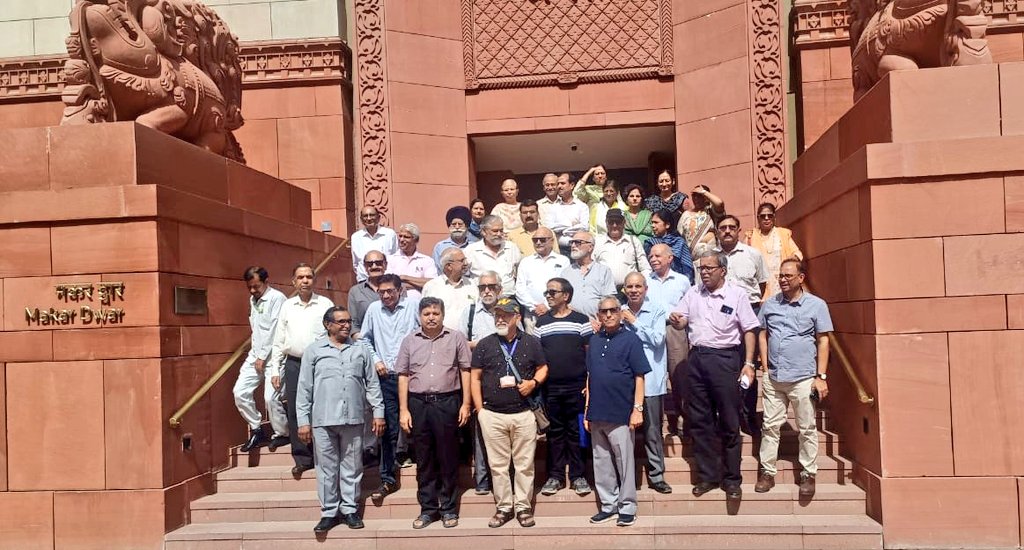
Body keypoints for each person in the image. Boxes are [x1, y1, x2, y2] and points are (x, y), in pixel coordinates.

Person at [669, 251, 758, 501]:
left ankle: (732, 479)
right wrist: (677, 320)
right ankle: (707, 476)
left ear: (723, 270)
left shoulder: (737, 295)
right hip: (696, 359)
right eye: (701, 268)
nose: (704, 272)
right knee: (700, 420)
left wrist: (749, 363)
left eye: (709, 268)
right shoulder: (693, 293)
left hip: (725, 359)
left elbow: (750, 329)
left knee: (730, 421)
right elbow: (680, 320)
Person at [296, 306, 385, 534]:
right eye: (341, 322)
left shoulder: (360, 350)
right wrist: (303, 421)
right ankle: (328, 512)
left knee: (352, 466)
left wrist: (378, 412)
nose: (347, 325)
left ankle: (349, 509)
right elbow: (304, 388)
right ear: (328, 325)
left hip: (353, 417)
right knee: (326, 468)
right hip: (323, 420)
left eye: (348, 321)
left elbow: (372, 384)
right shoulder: (314, 351)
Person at [755, 259, 832, 497]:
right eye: (780, 276)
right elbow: (762, 335)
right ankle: (767, 472)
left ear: (801, 278)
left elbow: (823, 340)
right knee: (770, 427)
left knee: (807, 427)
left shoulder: (816, 305)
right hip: (775, 377)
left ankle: (808, 473)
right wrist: (766, 369)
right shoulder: (770, 305)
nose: (783, 279)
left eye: (788, 276)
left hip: (803, 377)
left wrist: (821, 376)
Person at [470, 297, 548, 528]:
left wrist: (533, 383)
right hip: (492, 414)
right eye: (497, 315)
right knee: (498, 465)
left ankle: (523, 506)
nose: (500, 318)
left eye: (505, 314)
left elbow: (543, 367)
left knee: (524, 464)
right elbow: (475, 377)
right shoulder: (485, 344)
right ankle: (504, 507)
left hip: (524, 413)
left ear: (518, 317)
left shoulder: (531, 342)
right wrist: (480, 410)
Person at [396, 297, 473, 528]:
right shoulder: (410, 340)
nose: (431, 317)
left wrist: (466, 404)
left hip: (447, 402)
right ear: (420, 316)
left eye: (435, 313)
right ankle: (428, 509)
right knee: (424, 458)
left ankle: (449, 509)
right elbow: (402, 375)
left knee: (448, 456)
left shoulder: (456, 337)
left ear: (443, 314)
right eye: (427, 313)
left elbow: (465, 370)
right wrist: (403, 410)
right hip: (418, 404)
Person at [584, 296, 650, 527]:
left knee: (624, 463)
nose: (609, 314)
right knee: (601, 462)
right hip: (597, 411)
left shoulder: (631, 339)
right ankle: (608, 505)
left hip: (621, 411)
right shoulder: (593, 341)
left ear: (621, 314)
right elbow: (590, 378)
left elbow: (639, 377)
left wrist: (638, 409)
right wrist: (586, 411)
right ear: (599, 315)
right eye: (604, 311)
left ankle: (627, 507)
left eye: (613, 310)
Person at [268, 263, 335, 476]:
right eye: (300, 277)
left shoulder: (325, 304)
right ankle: (302, 457)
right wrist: (275, 370)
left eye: (308, 277)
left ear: (313, 280)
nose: (305, 281)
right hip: (294, 363)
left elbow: (333, 334)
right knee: (297, 409)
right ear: (294, 282)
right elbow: (279, 339)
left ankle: (323, 453)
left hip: (320, 363)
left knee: (322, 407)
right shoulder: (287, 306)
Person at [358, 274, 420, 500]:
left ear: (400, 290)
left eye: (389, 291)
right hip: (386, 377)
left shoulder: (413, 305)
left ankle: (426, 475)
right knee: (388, 430)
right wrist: (376, 360)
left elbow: (423, 334)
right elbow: (364, 339)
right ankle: (387, 479)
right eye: (381, 292)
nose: (385, 295)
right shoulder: (374, 310)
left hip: (413, 376)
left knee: (420, 425)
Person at [534, 278, 593, 497]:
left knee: (576, 431)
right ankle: (555, 476)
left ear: (566, 295)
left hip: (577, 388)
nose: (548, 295)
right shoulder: (541, 323)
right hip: (551, 389)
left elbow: (590, 352)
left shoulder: (580, 320)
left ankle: (578, 476)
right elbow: (536, 356)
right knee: (555, 433)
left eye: (552, 292)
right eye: (546, 292)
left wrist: (589, 383)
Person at [715, 214, 770, 435]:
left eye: (731, 227)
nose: (727, 231)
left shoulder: (753, 255)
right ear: (717, 232)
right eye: (722, 228)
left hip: (750, 315)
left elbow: (763, 284)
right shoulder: (711, 257)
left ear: (739, 230)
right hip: (720, 317)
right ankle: (728, 415)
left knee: (748, 365)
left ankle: (748, 415)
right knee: (724, 369)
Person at [620, 272, 672, 494]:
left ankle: (656, 475)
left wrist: (634, 322)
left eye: (637, 286)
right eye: (629, 286)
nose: (633, 290)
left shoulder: (658, 309)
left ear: (645, 288)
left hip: (650, 380)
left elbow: (658, 339)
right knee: (623, 431)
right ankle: (626, 475)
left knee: (652, 429)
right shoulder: (617, 310)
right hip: (625, 379)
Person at [457, 271, 503, 494]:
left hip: (505, 381)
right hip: (479, 380)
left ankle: (503, 478)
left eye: (491, 286)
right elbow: (461, 344)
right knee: (481, 430)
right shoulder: (470, 312)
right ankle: (483, 479)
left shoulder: (508, 311)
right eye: (482, 287)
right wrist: (485, 344)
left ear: (500, 290)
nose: (487, 291)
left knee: (504, 433)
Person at [234, 266, 288, 452]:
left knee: (270, 398)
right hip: (255, 354)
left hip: (273, 356)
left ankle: (283, 433)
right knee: (240, 392)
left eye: (256, 286)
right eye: (250, 287)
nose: (253, 290)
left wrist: (263, 356)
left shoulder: (277, 298)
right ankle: (257, 428)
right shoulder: (253, 299)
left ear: (266, 282)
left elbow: (275, 328)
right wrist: (257, 355)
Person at [645, 244, 692, 440]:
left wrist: (683, 320)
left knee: (679, 375)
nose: (653, 259)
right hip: (651, 329)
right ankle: (654, 423)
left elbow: (690, 306)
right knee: (653, 376)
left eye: (657, 256)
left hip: (675, 329)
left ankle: (684, 418)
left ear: (670, 258)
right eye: (650, 256)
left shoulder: (682, 281)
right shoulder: (645, 279)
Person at [746, 202, 804, 300]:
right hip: (761, 284)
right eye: (763, 216)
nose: (766, 218)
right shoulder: (750, 237)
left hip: (783, 281)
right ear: (758, 218)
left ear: (774, 218)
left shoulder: (783, 234)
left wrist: (788, 267)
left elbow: (797, 254)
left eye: (770, 216)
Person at [515, 227, 569, 325]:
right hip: (532, 315)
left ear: (552, 241)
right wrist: (533, 307)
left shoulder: (563, 261)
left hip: (556, 313)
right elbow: (520, 289)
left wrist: (547, 306)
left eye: (542, 240)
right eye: (535, 240)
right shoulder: (526, 262)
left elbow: (564, 287)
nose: (538, 242)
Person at [560, 231, 616, 317]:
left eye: (578, 242)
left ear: (590, 247)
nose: (573, 246)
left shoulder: (604, 271)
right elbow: (561, 301)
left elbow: (609, 301)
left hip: (598, 323)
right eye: (572, 242)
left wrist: (601, 320)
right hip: (572, 322)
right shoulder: (565, 273)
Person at [464, 215, 522, 297]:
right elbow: (463, 276)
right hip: (482, 300)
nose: (499, 234)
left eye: (501, 230)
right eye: (495, 231)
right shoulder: (471, 251)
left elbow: (520, 273)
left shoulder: (512, 248)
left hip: (509, 300)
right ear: (483, 232)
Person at [422, 248, 478, 332]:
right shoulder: (432, 287)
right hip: (441, 339)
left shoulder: (472, 285)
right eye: (462, 260)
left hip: (468, 340)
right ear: (449, 266)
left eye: (465, 259)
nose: (466, 263)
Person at [593, 208, 651, 288]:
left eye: (618, 222)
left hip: (628, 292)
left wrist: (641, 285)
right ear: (606, 223)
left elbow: (645, 268)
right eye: (611, 222)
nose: (614, 225)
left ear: (624, 223)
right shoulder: (597, 242)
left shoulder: (633, 241)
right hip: (603, 290)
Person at [386, 222, 439, 302]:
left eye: (406, 237)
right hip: (396, 305)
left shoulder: (426, 260)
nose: (401, 239)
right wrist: (419, 284)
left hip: (419, 305)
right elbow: (389, 284)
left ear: (416, 240)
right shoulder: (390, 259)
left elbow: (432, 283)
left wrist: (404, 278)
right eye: (400, 236)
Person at [644, 209, 694, 284]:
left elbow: (687, 267)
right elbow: (647, 267)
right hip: (656, 282)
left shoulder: (679, 242)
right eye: (652, 223)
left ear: (667, 225)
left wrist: (685, 284)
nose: (652, 225)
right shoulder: (650, 243)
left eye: (656, 222)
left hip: (677, 282)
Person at [351, 206, 398, 282]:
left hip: (386, 280)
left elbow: (395, 258)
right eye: (365, 216)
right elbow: (356, 263)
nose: (369, 218)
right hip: (364, 281)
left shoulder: (389, 234)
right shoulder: (356, 237)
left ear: (378, 217)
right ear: (361, 219)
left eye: (372, 215)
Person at [575, 165, 626, 235]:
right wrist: (589, 171)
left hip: (613, 221)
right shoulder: (588, 189)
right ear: (593, 178)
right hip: (594, 225)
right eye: (597, 174)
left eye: (602, 173)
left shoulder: (613, 188)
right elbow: (577, 192)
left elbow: (621, 204)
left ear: (606, 176)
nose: (600, 176)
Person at [678, 184, 726, 258]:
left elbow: (719, 203)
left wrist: (703, 192)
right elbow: (679, 235)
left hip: (710, 257)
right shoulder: (686, 214)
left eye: (699, 195)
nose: (696, 198)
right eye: (694, 195)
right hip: (690, 259)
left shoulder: (711, 211)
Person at [548, 173, 590, 253]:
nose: (559, 186)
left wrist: (563, 231)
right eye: (558, 184)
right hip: (558, 250)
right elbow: (551, 228)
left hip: (578, 249)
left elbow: (584, 228)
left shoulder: (582, 206)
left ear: (572, 185)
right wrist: (571, 225)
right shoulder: (553, 207)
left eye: (563, 183)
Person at [348, 252, 386, 338]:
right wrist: (363, 343)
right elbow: (353, 323)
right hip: (366, 342)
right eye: (370, 264)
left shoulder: (398, 288)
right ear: (365, 267)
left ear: (385, 265)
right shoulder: (355, 291)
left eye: (378, 263)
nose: (374, 266)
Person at [432, 206, 478, 272]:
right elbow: (436, 271)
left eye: (460, 224)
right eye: (453, 224)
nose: (457, 227)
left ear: (467, 226)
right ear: (449, 226)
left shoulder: (474, 246)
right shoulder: (440, 247)